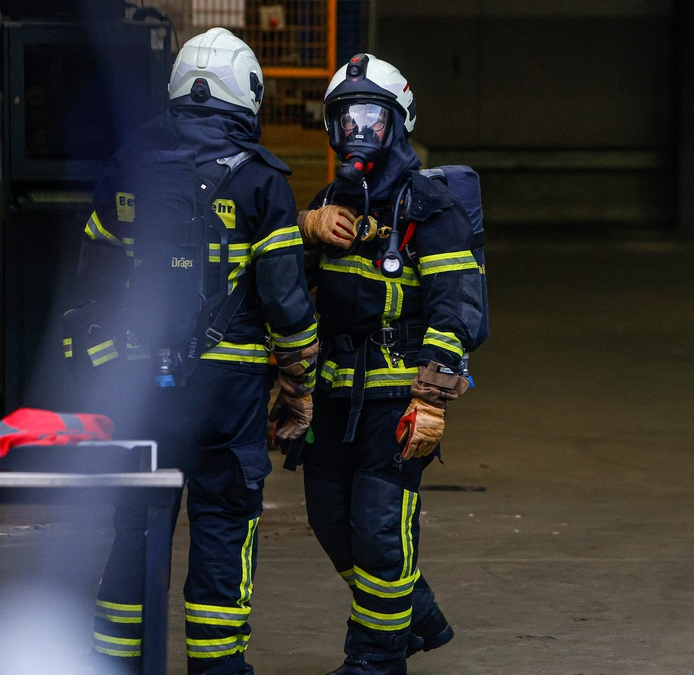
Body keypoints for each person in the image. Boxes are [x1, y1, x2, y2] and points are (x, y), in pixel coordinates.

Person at [73, 27, 317, 675]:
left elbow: (92, 281)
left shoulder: (127, 163)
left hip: (139, 389)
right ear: (250, 93)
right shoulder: (262, 182)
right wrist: (298, 390)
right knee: (224, 526)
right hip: (228, 396)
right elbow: (288, 306)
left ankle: (118, 664)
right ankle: (217, 668)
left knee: (135, 529)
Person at [289, 53, 485, 675]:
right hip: (334, 395)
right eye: (345, 119)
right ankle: (417, 613)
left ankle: (374, 659)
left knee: (378, 528)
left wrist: (430, 396)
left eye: (372, 118)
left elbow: (458, 312)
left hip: (397, 399)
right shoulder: (327, 204)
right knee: (328, 519)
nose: (357, 134)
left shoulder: (431, 207)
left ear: (398, 123)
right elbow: (285, 288)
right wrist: (305, 231)